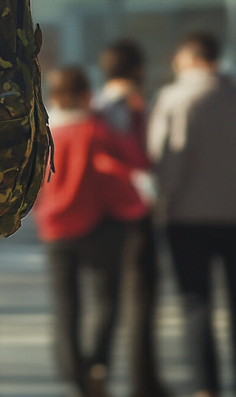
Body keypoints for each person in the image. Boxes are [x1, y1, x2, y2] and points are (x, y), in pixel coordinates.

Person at [36, 66, 149, 397]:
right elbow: (135, 161)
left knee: (66, 306)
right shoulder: (96, 129)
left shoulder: (45, 132)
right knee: (106, 300)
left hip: (55, 229)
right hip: (98, 227)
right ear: (88, 94)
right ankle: (97, 365)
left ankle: (76, 374)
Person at [147, 32, 236, 397]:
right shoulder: (232, 94)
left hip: (187, 218)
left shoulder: (177, 98)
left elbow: (168, 159)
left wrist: (161, 203)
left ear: (193, 58)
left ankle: (206, 387)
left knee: (196, 303)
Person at [94, 39, 166, 397]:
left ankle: (100, 374)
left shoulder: (97, 106)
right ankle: (143, 381)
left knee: (110, 300)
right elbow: (142, 160)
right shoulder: (130, 107)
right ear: (138, 69)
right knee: (140, 300)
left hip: (105, 218)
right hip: (134, 213)